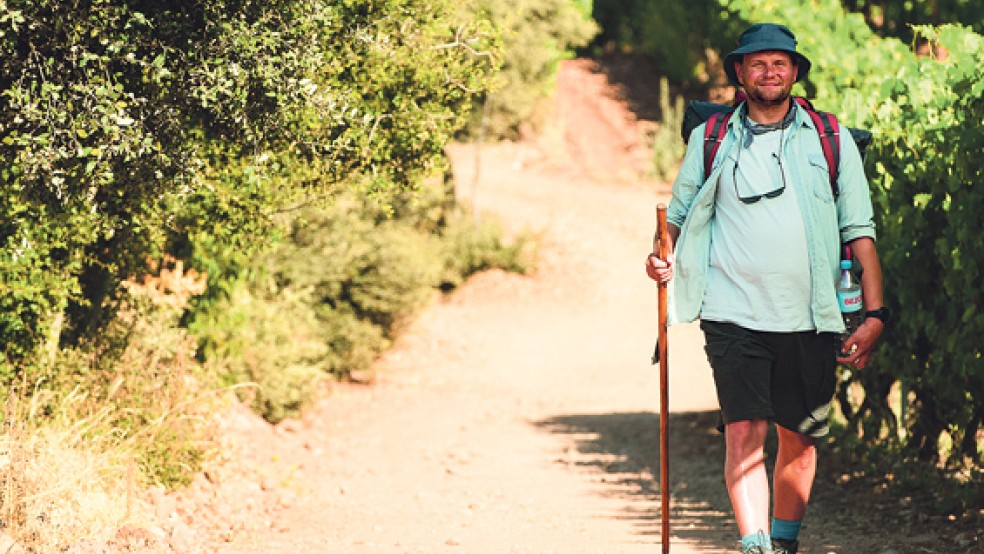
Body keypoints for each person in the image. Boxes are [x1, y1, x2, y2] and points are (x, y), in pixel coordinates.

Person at [644, 23, 889, 554]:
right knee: (744, 435)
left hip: (809, 316)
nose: (769, 72)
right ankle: (755, 547)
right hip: (731, 314)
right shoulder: (709, 140)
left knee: (799, 443)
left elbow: (859, 230)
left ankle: (784, 543)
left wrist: (875, 315)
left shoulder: (829, 138)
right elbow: (678, 216)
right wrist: (662, 253)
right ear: (739, 73)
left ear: (795, 72)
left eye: (780, 63)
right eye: (757, 63)